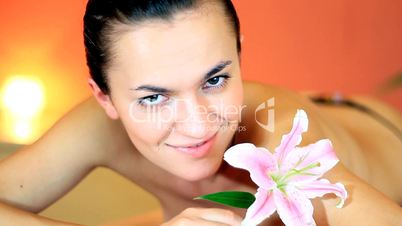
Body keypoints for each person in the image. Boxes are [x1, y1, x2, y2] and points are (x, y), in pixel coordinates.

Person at [0, 0, 401, 225]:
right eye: (154, 98)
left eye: (214, 80)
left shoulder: (284, 147)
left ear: (239, 55)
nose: (197, 126)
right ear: (104, 98)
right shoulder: (97, 126)